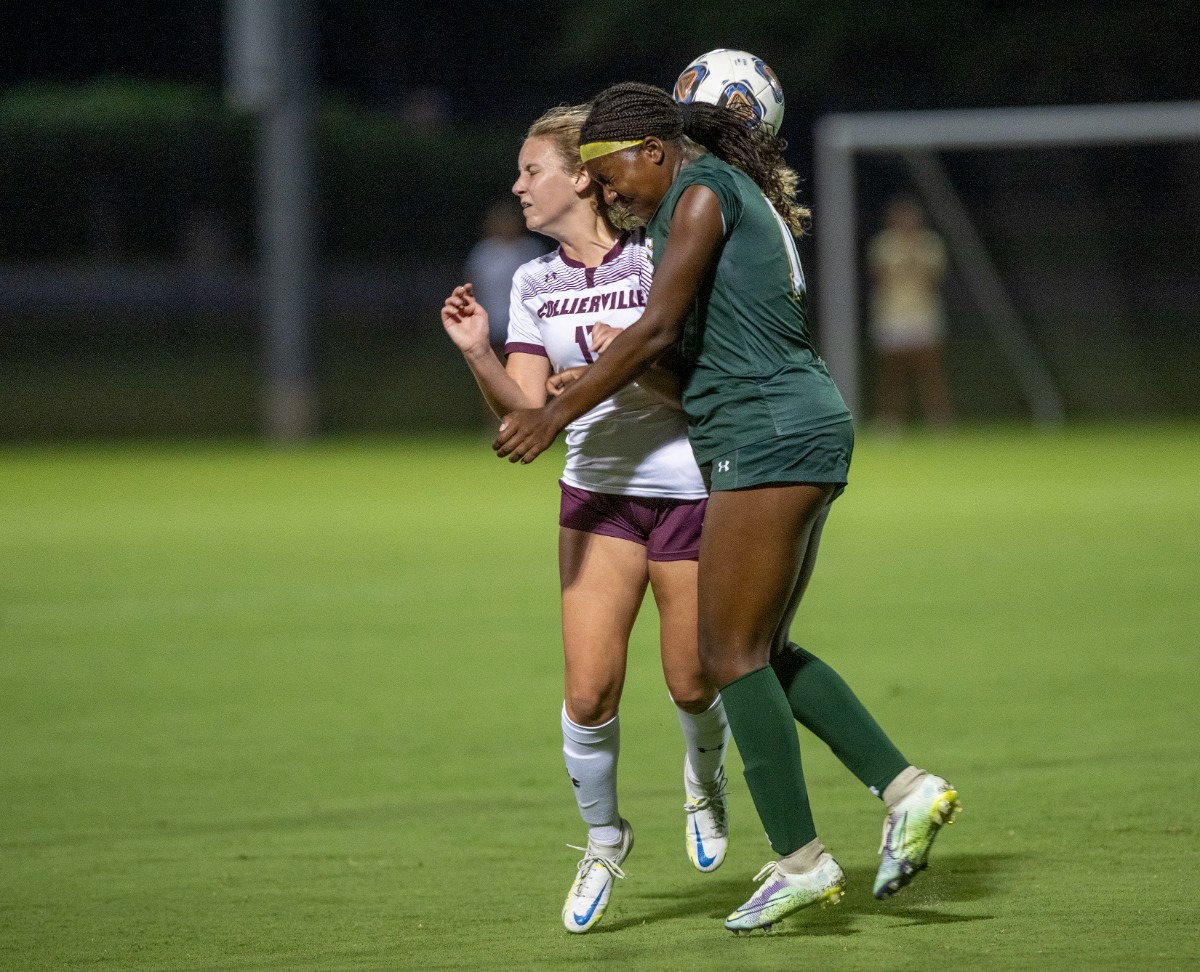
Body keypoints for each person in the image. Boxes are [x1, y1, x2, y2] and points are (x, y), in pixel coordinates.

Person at [493, 83, 961, 934]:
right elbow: (691, 351)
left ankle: (800, 862)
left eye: (611, 172)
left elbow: (660, 327)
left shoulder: (700, 195)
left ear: (659, 148)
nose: (608, 190)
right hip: (788, 426)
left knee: (726, 652)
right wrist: (597, 376)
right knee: (761, 648)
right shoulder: (719, 198)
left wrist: (553, 412)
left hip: (765, 433)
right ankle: (907, 790)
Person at [440, 104, 731, 935]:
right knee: (588, 689)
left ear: (579, 177)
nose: (517, 186)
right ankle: (604, 836)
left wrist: (625, 359)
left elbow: (690, 377)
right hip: (596, 495)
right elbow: (525, 411)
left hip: (686, 489)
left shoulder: (658, 254)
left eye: (531, 170)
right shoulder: (534, 283)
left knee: (691, 680)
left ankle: (704, 782)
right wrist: (478, 353)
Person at [867, 194, 954, 432]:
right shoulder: (884, 245)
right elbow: (878, 275)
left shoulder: (929, 244)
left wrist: (913, 255)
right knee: (892, 371)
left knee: (930, 369)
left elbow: (935, 278)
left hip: (923, 313)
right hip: (892, 313)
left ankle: (939, 421)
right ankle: (890, 420)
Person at [463, 198, 546, 355]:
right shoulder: (484, 252)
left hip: (526, 319)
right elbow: (472, 284)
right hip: (493, 318)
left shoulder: (530, 249)